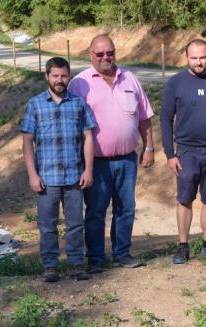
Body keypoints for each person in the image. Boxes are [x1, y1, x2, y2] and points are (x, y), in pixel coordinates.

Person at [69, 34, 155, 273]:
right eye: (100, 54)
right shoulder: (79, 84)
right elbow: (71, 125)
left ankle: (122, 253)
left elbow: (144, 117)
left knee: (126, 208)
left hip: (127, 159)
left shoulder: (130, 78)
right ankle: (96, 258)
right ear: (90, 55)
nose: (106, 57)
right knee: (96, 212)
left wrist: (149, 147)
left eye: (110, 52)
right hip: (95, 162)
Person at [21, 57, 96, 282]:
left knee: (75, 224)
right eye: (55, 76)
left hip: (74, 177)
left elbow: (88, 137)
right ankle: (51, 266)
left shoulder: (79, 104)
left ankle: (75, 264)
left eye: (64, 76)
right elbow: (27, 142)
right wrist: (32, 174)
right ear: (47, 76)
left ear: (69, 77)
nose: (59, 80)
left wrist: (88, 170)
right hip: (46, 178)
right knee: (47, 226)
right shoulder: (34, 104)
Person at [161, 39, 206, 264]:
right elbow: (166, 118)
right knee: (185, 199)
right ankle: (182, 246)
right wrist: (170, 154)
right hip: (186, 151)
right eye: (194, 58)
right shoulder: (176, 83)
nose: (198, 62)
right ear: (186, 58)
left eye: (202, 57)